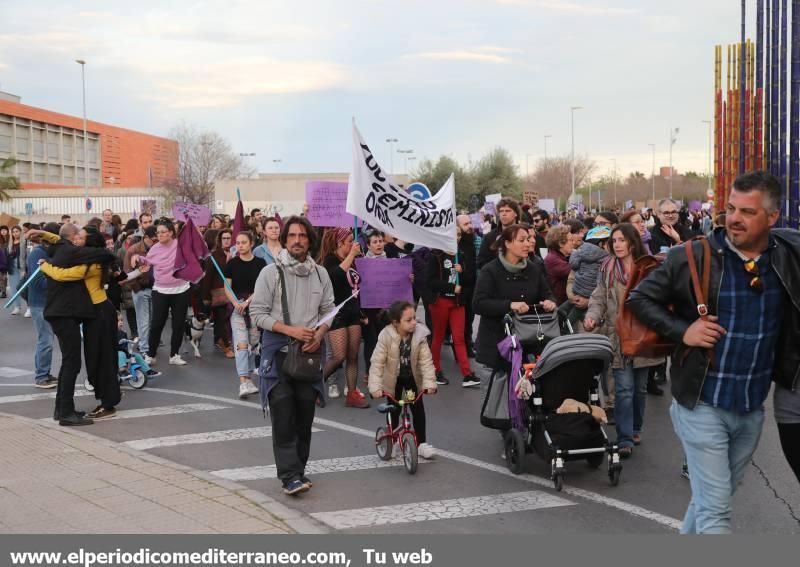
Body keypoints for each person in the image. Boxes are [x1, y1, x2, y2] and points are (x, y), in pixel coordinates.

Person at [627, 171, 799, 534]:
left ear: (772, 217)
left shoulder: (786, 256)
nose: (734, 218)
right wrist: (683, 331)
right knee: (716, 513)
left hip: (751, 408)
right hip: (702, 404)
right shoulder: (692, 255)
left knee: (710, 502)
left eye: (748, 212)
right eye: (731, 208)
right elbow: (639, 298)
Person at [249, 215, 334, 495]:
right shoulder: (270, 273)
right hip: (278, 353)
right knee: (283, 415)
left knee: (304, 416)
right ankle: (289, 477)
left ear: (310, 240)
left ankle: (299, 470)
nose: (297, 240)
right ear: (284, 240)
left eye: (303, 236)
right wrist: (291, 331)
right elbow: (257, 313)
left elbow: (328, 311)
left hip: (309, 355)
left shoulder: (321, 274)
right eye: (292, 236)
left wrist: (319, 335)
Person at [584, 224, 664, 459]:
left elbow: (661, 296)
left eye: (621, 240)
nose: (617, 244)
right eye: (614, 240)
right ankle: (625, 437)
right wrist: (591, 316)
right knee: (624, 389)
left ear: (632, 242)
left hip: (641, 336)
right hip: (617, 335)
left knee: (639, 388)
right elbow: (598, 296)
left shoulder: (647, 267)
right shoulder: (607, 268)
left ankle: (636, 428)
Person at [30, 224, 115, 426]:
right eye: (77, 236)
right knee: (73, 363)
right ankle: (65, 412)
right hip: (68, 314)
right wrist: (44, 239)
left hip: (83, 313)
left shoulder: (77, 255)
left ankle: (64, 410)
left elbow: (63, 255)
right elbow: (63, 248)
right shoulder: (70, 252)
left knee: (79, 362)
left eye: (82, 237)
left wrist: (45, 261)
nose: (78, 240)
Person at [473, 224, 556, 390]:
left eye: (529, 239)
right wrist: (510, 305)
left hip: (528, 345)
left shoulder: (533, 269)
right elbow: (478, 304)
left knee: (527, 404)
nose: (529, 243)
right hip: (496, 347)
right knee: (496, 408)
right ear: (507, 243)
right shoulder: (490, 270)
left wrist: (549, 302)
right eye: (522, 240)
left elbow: (547, 294)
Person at [368, 300, 439, 459]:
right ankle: (392, 441)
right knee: (394, 409)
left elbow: (426, 362)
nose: (414, 322)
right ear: (395, 323)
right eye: (408, 320)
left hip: (410, 380)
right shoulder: (386, 336)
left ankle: (421, 444)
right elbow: (377, 363)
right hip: (394, 382)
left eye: (414, 318)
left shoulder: (419, 335)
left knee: (417, 407)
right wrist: (375, 387)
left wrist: (429, 384)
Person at [318, 227, 369, 407]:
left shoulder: (353, 261)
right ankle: (314, 388)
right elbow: (336, 277)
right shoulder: (330, 260)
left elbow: (356, 288)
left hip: (352, 311)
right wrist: (351, 256)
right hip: (336, 313)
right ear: (340, 243)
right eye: (349, 242)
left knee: (353, 356)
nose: (353, 245)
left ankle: (352, 393)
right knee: (339, 356)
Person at [130, 220, 192, 366]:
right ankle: (151, 354)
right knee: (157, 323)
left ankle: (174, 354)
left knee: (178, 324)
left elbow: (193, 254)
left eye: (163, 232)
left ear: (171, 232)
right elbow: (147, 261)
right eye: (158, 232)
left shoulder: (180, 245)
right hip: (161, 290)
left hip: (181, 289)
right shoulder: (155, 248)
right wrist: (137, 257)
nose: (160, 235)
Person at [425, 228, 479, 388]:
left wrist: (463, 273)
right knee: (439, 337)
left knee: (459, 337)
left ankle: (467, 374)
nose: (456, 237)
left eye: (459, 235)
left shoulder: (461, 255)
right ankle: (435, 370)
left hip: (457, 303)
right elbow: (431, 281)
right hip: (440, 302)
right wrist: (450, 287)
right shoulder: (436, 255)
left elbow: (470, 280)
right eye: (454, 234)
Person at [223, 231, 267, 398]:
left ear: (251, 244)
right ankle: (243, 382)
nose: (240, 245)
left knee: (253, 344)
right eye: (238, 242)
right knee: (241, 344)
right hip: (237, 310)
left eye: (243, 242)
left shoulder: (261, 263)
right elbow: (227, 286)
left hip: (255, 308)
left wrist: (248, 302)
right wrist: (236, 303)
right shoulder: (232, 264)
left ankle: (248, 378)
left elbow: (262, 287)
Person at [26, 222, 58, 388]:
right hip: (39, 303)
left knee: (47, 339)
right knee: (45, 340)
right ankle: (41, 376)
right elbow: (37, 281)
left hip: (48, 302)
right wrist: (58, 278)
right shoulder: (37, 254)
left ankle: (44, 372)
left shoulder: (48, 253)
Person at [123, 225, 156, 357]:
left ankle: (149, 346)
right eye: (153, 239)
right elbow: (126, 272)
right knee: (143, 320)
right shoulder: (133, 249)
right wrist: (136, 288)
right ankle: (144, 348)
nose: (156, 242)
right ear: (146, 237)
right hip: (141, 289)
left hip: (156, 288)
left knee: (154, 320)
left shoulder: (158, 248)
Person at [203, 229, 234, 358]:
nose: (227, 241)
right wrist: (205, 296)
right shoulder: (214, 257)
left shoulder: (237, 254)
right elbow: (208, 277)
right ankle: (225, 345)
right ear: (220, 241)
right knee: (222, 319)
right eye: (224, 238)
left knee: (231, 319)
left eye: (229, 238)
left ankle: (223, 341)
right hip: (219, 293)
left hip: (234, 292)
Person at [456, 214, 479, 357]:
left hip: (472, 287)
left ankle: (468, 343)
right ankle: (460, 346)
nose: (470, 226)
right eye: (466, 224)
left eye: (470, 223)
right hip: (458, 288)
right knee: (460, 321)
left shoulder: (475, 241)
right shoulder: (455, 244)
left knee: (469, 318)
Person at [477, 198, 522, 268]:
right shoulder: (489, 237)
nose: (504, 214)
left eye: (508, 211)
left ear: (516, 213)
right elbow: (481, 262)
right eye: (501, 211)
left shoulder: (525, 234)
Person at [543, 224, 575, 305]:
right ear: (561, 243)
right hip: (558, 306)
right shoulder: (553, 259)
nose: (573, 243)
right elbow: (575, 271)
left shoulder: (561, 256)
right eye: (570, 240)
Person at [6, 225, 29, 316]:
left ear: (21, 232)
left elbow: (26, 255)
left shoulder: (25, 242)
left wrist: (25, 269)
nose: (15, 233)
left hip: (22, 267)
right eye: (13, 232)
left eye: (17, 231)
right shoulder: (10, 243)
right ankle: (17, 307)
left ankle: (29, 307)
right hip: (12, 267)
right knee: (14, 288)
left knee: (24, 288)